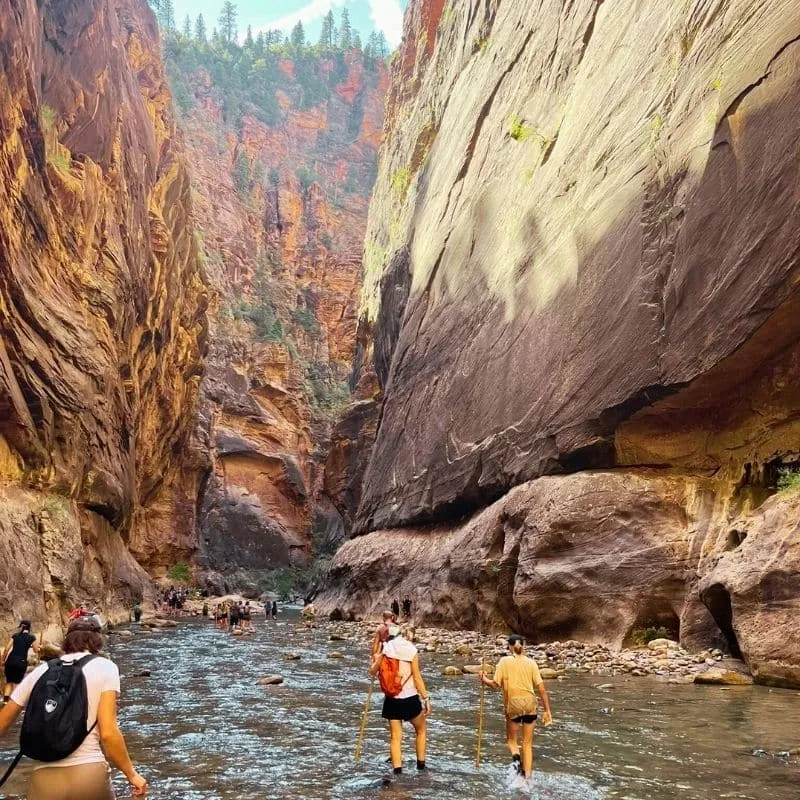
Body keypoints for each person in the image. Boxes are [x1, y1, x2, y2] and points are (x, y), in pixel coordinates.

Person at [0, 616, 148, 798]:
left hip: (43, 779)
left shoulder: (41, 671)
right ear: (97, 639)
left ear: (67, 640)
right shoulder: (105, 667)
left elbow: (2, 723)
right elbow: (108, 734)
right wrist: (131, 775)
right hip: (88, 774)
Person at [479, 633, 553, 787]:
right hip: (530, 704)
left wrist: (483, 679)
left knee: (512, 741)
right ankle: (527, 779)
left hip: (513, 705)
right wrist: (547, 710)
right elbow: (541, 689)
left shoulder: (504, 662)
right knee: (527, 744)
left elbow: (495, 684)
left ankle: (517, 763)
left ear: (510, 646)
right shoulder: (532, 663)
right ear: (523, 646)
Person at [370, 625, 430, 776]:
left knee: (395, 738)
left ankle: (397, 772)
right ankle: (421, 766)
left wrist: (378, 656)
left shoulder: (386, 649)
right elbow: (417, 677)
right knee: (421, 730)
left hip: (391, 699)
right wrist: (426, 698)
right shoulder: (411, 650)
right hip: (410, 698)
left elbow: (372, 672)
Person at [1, 621, 40, 702]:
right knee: (17, 684)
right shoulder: (32, 637)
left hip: (10, 661)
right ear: (29, 628)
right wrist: (39, 647)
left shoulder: (15, 636)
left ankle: (5, 702)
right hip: (21, 663)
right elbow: (36, 650)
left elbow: (7, 649)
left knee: (9, 682)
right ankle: (13, 704)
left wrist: (2, 660)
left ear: (21, 627)